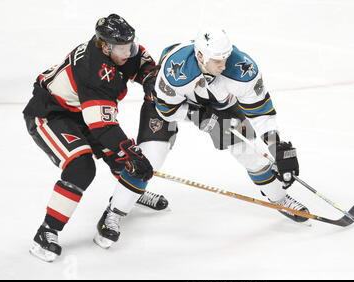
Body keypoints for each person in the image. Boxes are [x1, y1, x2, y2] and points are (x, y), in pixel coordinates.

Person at [102, 27, 309, 248]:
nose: (224, 66)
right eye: (218, 61)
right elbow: (166, 110)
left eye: (226, 58)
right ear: (200, 56)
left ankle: (280, 200)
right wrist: (197, 115)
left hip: (219, 106)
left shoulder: (243, 69)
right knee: (150, 158)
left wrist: (279, 148)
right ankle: (114, 212)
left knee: (251, 155)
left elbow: (261, 111)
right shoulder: (176, 68)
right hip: (167, 104)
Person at [23, 14, 166, 262]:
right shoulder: (94, 71)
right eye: (122, 47)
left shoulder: (119, 49)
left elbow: (141, 62)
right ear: (103, 45)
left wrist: (150, 77)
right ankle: (46, 232)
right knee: (81, 166)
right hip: (50, 114)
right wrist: (131, 151)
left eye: (129, 44)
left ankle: (131, 193)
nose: (128, 51)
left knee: (123, 159)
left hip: (81, 110)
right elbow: (103, 127)